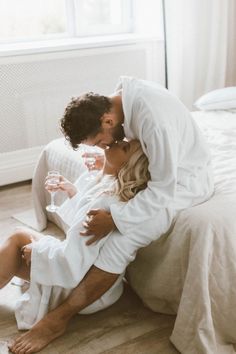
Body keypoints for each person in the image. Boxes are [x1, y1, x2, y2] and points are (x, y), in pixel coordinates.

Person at [10, 76, 214, 353]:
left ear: (107, 121)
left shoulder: (153, 119)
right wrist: (109, 163)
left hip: (183, 183)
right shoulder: (122, 100)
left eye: (99, 141)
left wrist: (115, 219)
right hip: (160, 172)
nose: (102, 145)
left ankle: (57, 320)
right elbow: (136, 151)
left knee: (120, 240)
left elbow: (163, 187)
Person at [5, 140, 150, 353]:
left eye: (125, 147)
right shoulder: (111, 192)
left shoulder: (104, 205)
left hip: (78, 287)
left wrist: (38, 253)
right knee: (20, 242)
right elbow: (81, 233)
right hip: (103, 290)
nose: (115, 143)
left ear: (128, 167)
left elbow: (72, 262)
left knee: (18, 238)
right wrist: (73, 192)